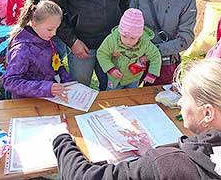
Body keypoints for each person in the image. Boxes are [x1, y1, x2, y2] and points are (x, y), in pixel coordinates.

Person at [51, 58, 221, 180]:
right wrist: (151, 153)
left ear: (207, 113)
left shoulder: (167, 165)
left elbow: (82, 176)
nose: (180, 102)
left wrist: (61, 138)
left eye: (184, 96)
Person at [3, 0, 72, 99]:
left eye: (57, 28)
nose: (54, 33)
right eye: (50, 29)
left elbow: (57, 65)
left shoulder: (46, 40)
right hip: (26, 104)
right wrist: (46, 88)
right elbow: (10, 81)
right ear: (34, 24)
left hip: (47, 99)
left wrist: (69, 83)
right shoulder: (22, 50)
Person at [97, 8, 161, 89]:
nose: (128, 41)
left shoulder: (145, 43)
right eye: (124, 36)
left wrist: (152, 73)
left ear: (140, 36)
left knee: (131, 96)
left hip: (134, 78)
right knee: (113, 97)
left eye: (133, 38)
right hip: (115, 78)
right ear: (120, 31)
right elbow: (102, 53)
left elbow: (155, 56)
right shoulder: (112, 39)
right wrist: (110, 69)